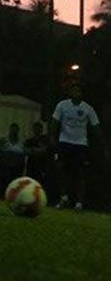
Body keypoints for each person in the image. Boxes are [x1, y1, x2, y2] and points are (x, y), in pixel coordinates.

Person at [51, 83, 105, 212]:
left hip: (81, 144)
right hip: (64, 142)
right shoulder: (62, 105)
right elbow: (54, 122)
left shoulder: (88, 108)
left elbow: (96, 127)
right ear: (70, 93)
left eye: (79, 91)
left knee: (80, 173)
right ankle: (64, 197)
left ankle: (79, 203)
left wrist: (103, 145)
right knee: (61, 169)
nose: (77, 93)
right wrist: (53, 138)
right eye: (74, 91)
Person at [0, 122, 26, 198]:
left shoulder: (21, 142)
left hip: (17, 166)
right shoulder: (3, 140)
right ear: (10, 130)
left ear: (18, 131)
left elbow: (25, 152)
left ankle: (13, 198)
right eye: (12, 130)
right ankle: (2, 197)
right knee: (4, 183)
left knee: (15, 184)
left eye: (15, 130)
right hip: (5, 166)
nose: (14, 132)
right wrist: (2, 155)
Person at [24, 121, 49, 186]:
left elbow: (45, 150)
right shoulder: (29, 141)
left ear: (42, 129)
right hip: (31, 167)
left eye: (39, 128)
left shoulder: (46, 139)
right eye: (35, 128)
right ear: (33, 129)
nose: (37, 130)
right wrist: (38, 150)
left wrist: (33, 150)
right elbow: (26, 151)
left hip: (42, 167)